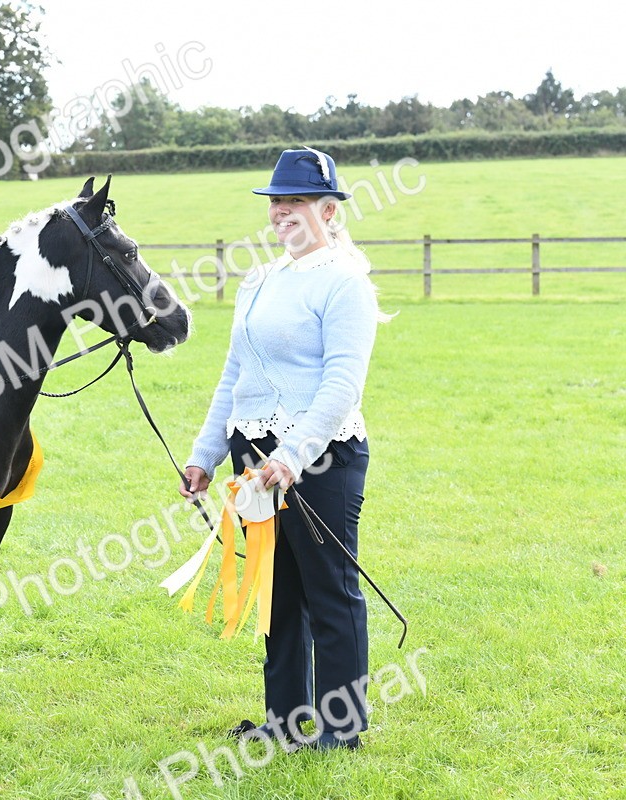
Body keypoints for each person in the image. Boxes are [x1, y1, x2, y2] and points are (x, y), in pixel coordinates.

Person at [180, 147, 390, 751]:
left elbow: (342, 384)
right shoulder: (258, 280)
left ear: (329, 210)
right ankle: (283, 721)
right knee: (277, 592)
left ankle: (341, 729)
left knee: (329, 593)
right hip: (255, 461)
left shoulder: (345, 283)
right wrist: (204, 456)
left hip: (320, 460)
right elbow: (234, 376)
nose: (282, 212)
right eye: (277, 202)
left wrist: (293, 455)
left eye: (296, 201)